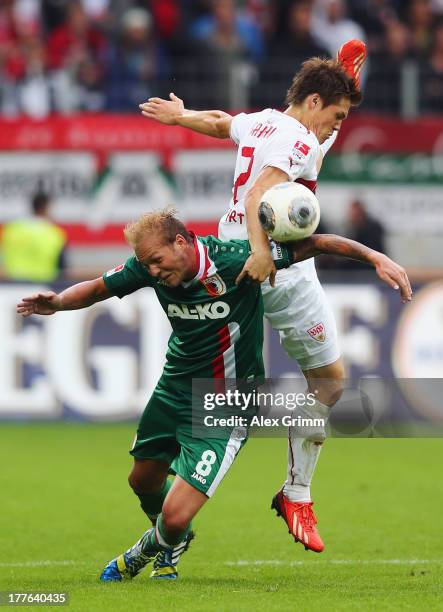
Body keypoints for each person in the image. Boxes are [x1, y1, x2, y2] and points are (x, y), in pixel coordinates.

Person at [17, 209, 410, 580]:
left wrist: (377, 257)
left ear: (182, 242)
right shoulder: (148, 266)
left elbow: (316, 242)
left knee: (173, 517)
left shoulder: (236, 259)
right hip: (175, 387)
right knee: (142, 480)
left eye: (158, 260)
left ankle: (147, 549)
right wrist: (58, 303)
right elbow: (99, 287)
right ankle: (174, 540)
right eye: (147, 265)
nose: (153, 271)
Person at [139, 43, 373, 554]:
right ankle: (297, 493)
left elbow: (224, 123)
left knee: (218, 380)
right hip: (277, 270)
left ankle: (175, 450)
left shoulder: (264, 121)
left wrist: (182, 118)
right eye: (335, 115)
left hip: (226, 259)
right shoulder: (299, 144)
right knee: (330, 386)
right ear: (313, 101)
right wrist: (265, 252)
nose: (334, 125)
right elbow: (257, 195)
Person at [1, 192, 67, 282]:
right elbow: (62, 266)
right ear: (45, 207)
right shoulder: (53, 233)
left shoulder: (12, 229)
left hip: (13, 284)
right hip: (43, 285)